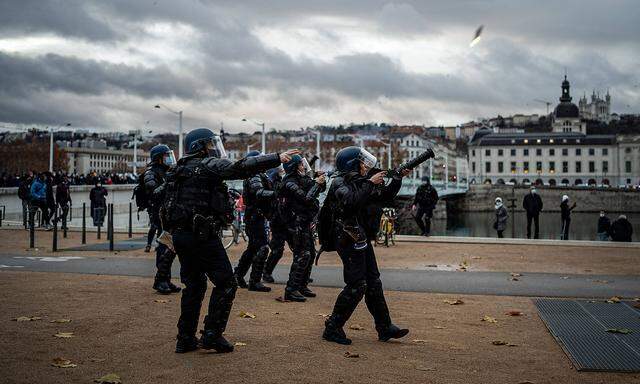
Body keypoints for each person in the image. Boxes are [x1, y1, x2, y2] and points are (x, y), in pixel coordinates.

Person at [161, 127, 298, 354]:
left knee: (194, 286)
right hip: (202, 235)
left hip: (182, 235)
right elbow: (239, 168)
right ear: (200, 146)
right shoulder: (205, 165)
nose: (213, 148)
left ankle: (185, 338)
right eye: (209, 144)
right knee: (226, 283)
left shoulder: (178, 169)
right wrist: (275, 158)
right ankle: (212, 335)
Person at [318, 146, 421, 345]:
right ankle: (333, 327)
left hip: (358, 236)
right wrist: (369, 183)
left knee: (373, 281)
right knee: (357, 285)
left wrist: (398, 178)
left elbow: (384, 196)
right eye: (362, 162)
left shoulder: (360, 181)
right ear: (353, 164)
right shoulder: (340, 182)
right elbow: (350, 203)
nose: (366, 166)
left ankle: (384, 327)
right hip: (346, 238)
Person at [281, 155, 326, 302]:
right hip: (296, 224)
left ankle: (301, 286)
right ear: (295, 167)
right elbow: (306, 198)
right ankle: (291, 289)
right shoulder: (289, 182)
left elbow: (316, 189)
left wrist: (320, 181)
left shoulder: (301, 179)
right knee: (303, 254)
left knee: (310, 254)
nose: (303, 166)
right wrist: (316, 184)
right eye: (301, 164)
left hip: (304, 222)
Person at [233, 151, 278, 292]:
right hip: (254, 217)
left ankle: (238, 275)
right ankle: (254, 281)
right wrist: (277, 194)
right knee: (262, 248)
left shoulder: (259, 174)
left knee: (252, 249)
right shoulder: (254, 175)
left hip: (256, 216)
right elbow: (259, 193)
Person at [144, 144, 181, 295]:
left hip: (169, 214)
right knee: (163, 247)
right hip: (159, 214)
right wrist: (168, 183)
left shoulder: (168, 171)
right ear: (158, 158)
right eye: (166, 155)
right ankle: (160, 281)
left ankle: (166, 279)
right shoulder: (150, 173)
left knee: (170, 247)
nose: (169, 158)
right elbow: (154, 193)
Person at [263, 166, 287, 284]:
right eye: (280, 170)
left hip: (288, 219)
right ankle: (266, 272)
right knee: (277, 250)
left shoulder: (281, 181)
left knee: (300, 249)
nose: (282, 171)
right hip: (278, 220)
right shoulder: (273, 182)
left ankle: (302, 274)